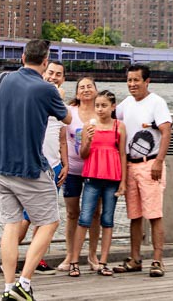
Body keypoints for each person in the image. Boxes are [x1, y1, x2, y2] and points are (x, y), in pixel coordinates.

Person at [0, 39, 70, 301]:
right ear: (45, 63)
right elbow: (66, 117)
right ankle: (25, 281)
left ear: (22, 57)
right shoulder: (47, 89)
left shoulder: (2, 80)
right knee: (49, 222)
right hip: (30, 168)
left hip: (0, 167)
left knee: (10, 226)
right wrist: (55, 93)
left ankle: (8, 287)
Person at [113, 64, 172, 278]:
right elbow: (109, 116)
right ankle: (135, 259)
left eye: (136, 80)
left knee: (154, 214)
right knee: (135, 215)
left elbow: (166, 132)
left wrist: (159, 161)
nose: (132, 84)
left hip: (150, 164)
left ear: (147, 81)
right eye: (129, 80)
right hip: (130, 165)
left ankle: (157, 260)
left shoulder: (157, 103)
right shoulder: (126, 104)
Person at [15, 60, 68, 275]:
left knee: (45, 218)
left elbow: (62, 138)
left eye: (58, 74)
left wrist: (66, 164)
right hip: (33, 165)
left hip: (53, 166)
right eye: (50, 72)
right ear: (43, 72)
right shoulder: (33, 95)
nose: (54, 77)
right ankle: (9, 257)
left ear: (63, 78)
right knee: (25, 217)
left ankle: (36, 259)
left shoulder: (60, 104)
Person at [65, 90, 127, 277]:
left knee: (107, 220)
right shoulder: (88, 126)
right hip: (92, 176)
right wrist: (88, 140)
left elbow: (122, 154)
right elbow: (83, 154)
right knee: (84, 218)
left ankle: (103, 261)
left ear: (113, 107)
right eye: (97, 106)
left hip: (112, 178)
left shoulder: (119, 126)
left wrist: (123, 181)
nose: (100, 109)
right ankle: (75, 261)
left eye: (104, 106)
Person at [57, 77, 102, 272]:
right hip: (74, 169)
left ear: (96, 90)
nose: (85, 90)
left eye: (89, 86)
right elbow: (63, 140)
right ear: (76, 93)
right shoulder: (69, 112)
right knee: (72, 213)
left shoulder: (103, 111)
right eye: (81, 87)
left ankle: (92, 254)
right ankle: (70, 255)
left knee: (95, 213)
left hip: (96, 170)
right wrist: (64, 164)